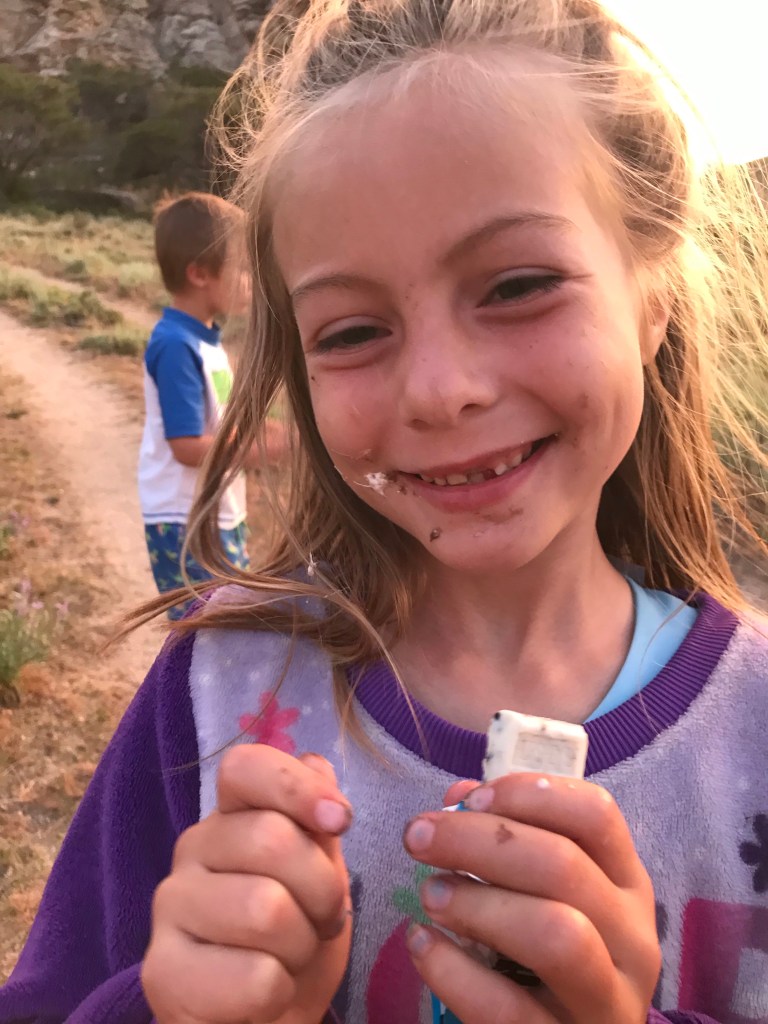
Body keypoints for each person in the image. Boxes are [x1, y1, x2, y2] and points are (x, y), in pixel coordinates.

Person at [1, 1, 767, 1022]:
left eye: (519, 284)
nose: (440, 391)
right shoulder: (216, 693)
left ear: (652, 296)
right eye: (354, 331)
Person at [138, 192, 283, 618]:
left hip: (213, 511)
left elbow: (219, 425)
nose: (251, 281)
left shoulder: (204, 341)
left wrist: (268, 433)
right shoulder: (176, 345)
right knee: (209, 632)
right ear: (200, 273)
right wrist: (265, 451)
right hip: (187, 520)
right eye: (243, 269)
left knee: (226, 625)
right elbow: (187, 446)